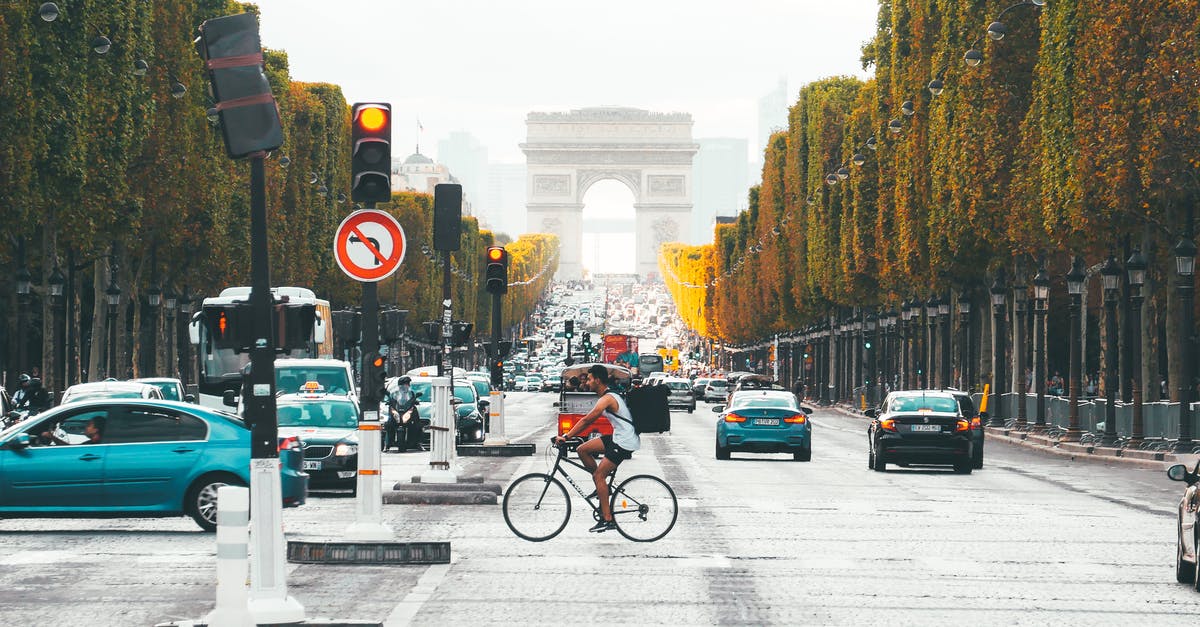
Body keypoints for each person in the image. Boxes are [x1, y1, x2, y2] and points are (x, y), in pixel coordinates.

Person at [554, 364, 639, 533]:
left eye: (590, 379)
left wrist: (566, 436)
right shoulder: (606, 396)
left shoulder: (607, 398)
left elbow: (587, 420)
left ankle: (608, 519)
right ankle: (601, 486)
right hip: (617, 437)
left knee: (600, 475)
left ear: (598, 380)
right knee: (582, 450)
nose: (588, 383)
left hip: (624, 441)